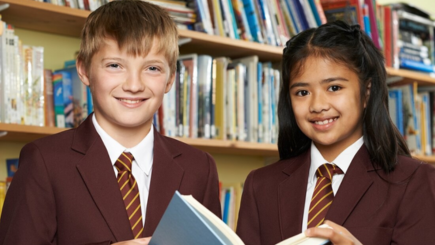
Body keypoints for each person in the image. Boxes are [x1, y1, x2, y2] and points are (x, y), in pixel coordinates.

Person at [0, 1, 221, 244]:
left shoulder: (200, 168)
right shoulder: (44, 162)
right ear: (84, 70)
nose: (134, 85)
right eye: (115, 65)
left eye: (152, 68)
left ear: (170, 80)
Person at [236, 20, 435, 245]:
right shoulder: (260, 185)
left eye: (334, 88)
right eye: (302, 92)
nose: (318, 105)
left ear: (366, 92)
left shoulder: (415, 181)